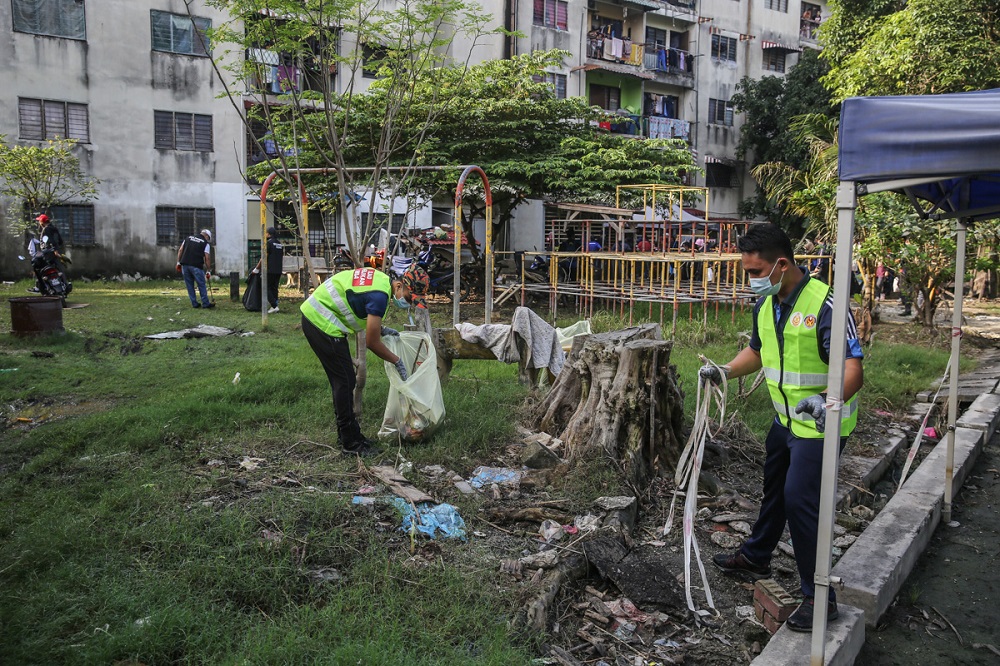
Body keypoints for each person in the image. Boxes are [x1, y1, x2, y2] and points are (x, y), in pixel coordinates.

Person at [700, 224, 864, 632]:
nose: (750, 280)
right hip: (785, 419)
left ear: (782, 264)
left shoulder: (826, 303)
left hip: (821, 423)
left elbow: (852, 369)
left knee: (800, 500)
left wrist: (828, 401)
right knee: (774, 487)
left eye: (756, 272)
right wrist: (723, 371)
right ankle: (757, 555)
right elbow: (757, 352)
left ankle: (819, 596)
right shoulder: (767, 302)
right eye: (747, 271)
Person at [300, 266, 412, 456]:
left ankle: (350, 435)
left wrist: (380, 328)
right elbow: (372, 342)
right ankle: (350, 444)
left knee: (344, 380)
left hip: (318, 316)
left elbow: (358, 302)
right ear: (399, 285)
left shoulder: (381, 281)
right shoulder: (380, 295)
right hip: (321, 321)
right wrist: (397, 360)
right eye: (408, 298)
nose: (407, 303)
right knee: (345, 381)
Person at [176, 229, 215, 309]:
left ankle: (194, 303)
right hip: (196, 266)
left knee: (189, 285)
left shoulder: (188, 238)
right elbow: (207, 258)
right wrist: (208, 270)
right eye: (208, 238)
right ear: (206, 236)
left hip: (185, 265)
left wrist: (178, 263)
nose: (207, 240)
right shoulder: (205, 243)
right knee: (201, 284)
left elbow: (180, 250)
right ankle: (205, 303)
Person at [252, 227, 284, 313]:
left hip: (270, 269)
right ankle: (275, 305)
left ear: (268, 234)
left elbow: (264, 257)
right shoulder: (279, 244)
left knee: (265, 287)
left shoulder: (268, 243)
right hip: (278, 269)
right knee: (274, 287)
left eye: (265, 233)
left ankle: (274, 305)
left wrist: (257, 268)